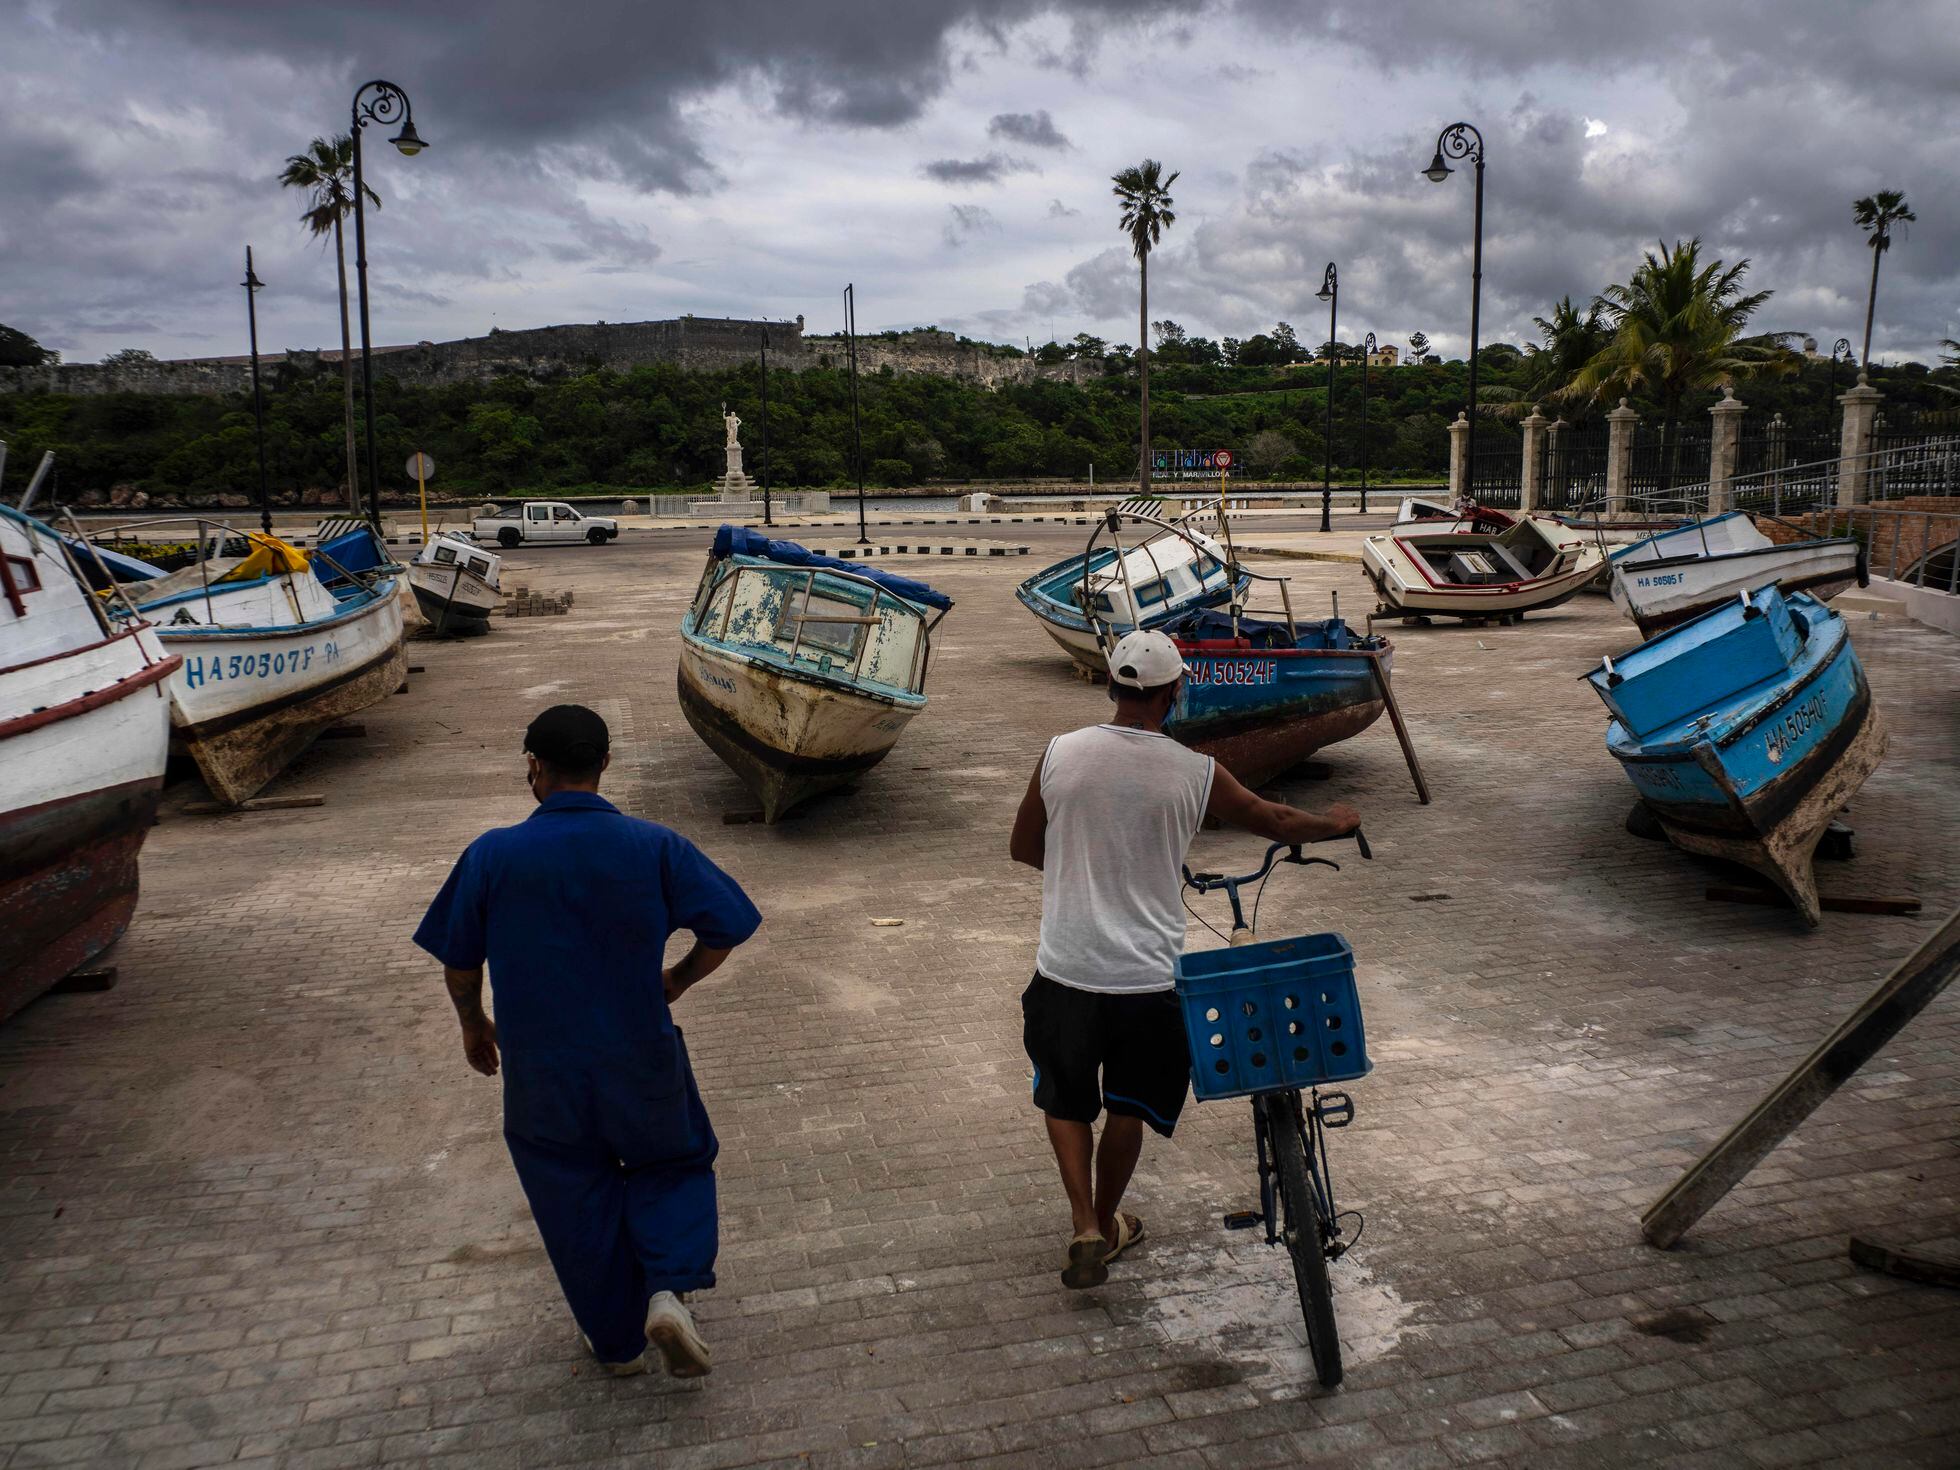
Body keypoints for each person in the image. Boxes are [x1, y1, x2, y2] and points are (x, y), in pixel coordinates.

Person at [414, 704, 761, 1377]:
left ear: (533, 769)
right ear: (605, 764)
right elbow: (729, 925)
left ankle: (616, 1343)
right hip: (640, 1055)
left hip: (542, 1070)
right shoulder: (654, 846)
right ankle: (667, 1288)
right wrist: (679, 979)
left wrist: (472, 1022)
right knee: (673, 1163)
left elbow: (459, 962)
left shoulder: (491, 855)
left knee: (571, 1189)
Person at [1009, 630, 1360, 1289]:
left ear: (1112, 687)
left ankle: (1086, 1224)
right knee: (1129, 1107)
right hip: (1146, 980)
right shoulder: (1192, 770)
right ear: (1173, 694)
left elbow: (1025, 847)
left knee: (1065, 1099)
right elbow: (1275, 820)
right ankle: (1111, 1219)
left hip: (1066, 967)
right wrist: (1335, 824)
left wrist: (1082, 871)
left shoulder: (1060, 753)